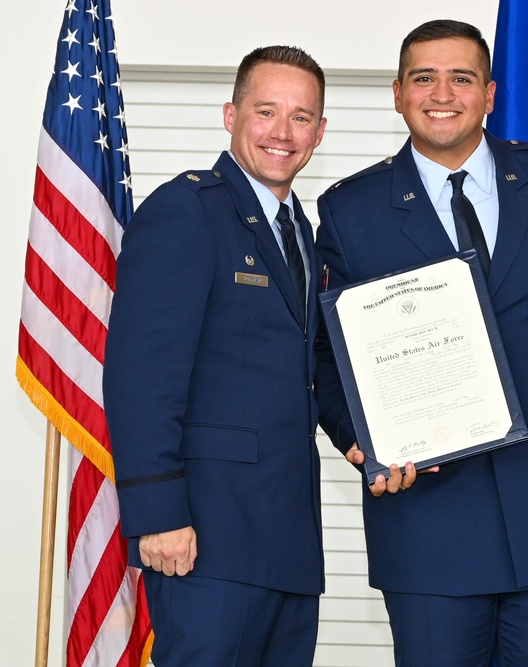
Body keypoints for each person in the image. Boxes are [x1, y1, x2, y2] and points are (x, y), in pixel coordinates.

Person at [314, 19, 528, 667]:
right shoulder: (352, 209)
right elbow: (329, 353)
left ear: (489, 93)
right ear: (398, 93)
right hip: (430, 518)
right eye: (423, 78)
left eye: (461, 78)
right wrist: (362, 440)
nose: (442, 93)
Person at [104, 45, 327, 666]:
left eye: (301, 117)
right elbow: (140, 376)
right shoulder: (187, 211)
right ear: (231, 115)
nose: (283, 133)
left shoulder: (300, 232)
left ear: (320, 131)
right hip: (206, 537)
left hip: (287, 540)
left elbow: (307, 373)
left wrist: (367, 440)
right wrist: (158, 514)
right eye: (266, 111)